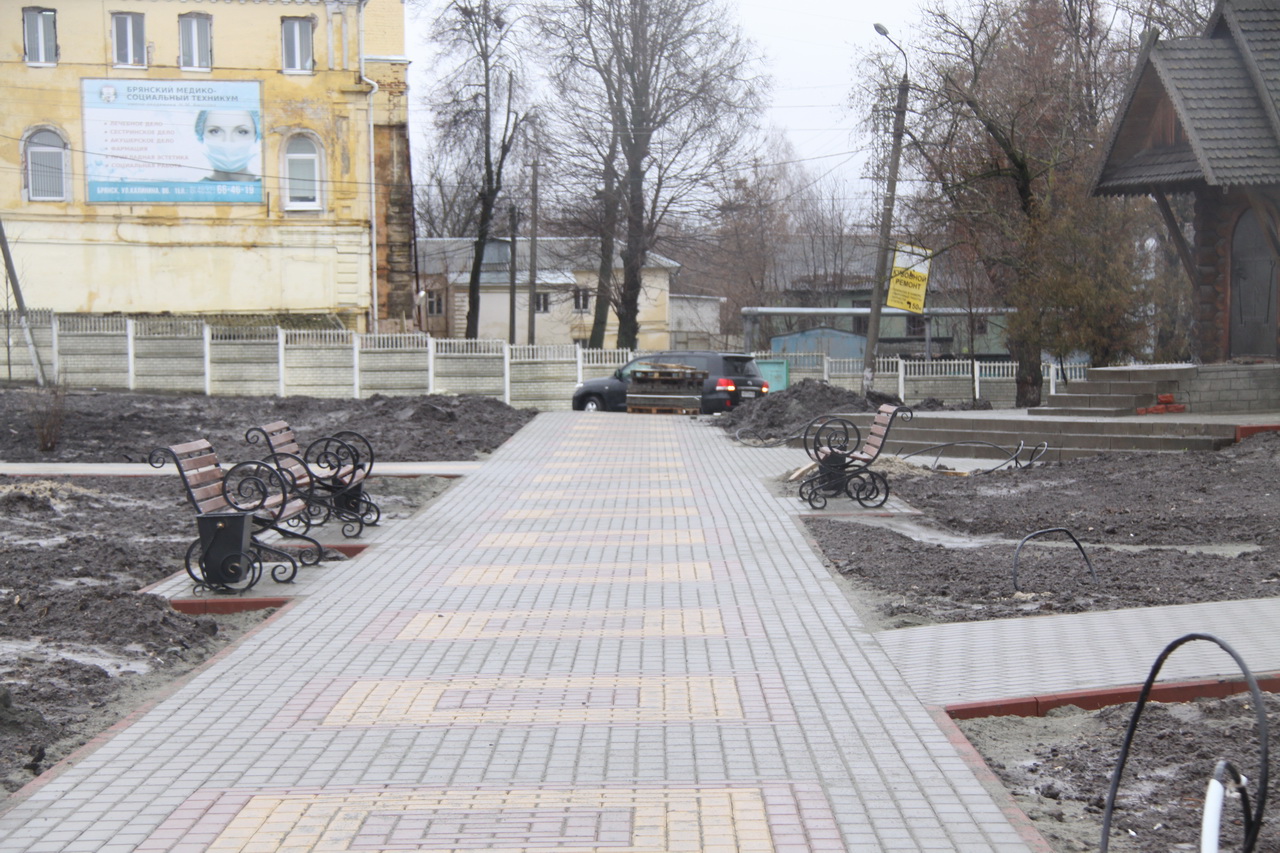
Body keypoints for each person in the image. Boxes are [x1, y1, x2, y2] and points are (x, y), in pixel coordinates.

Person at [194, 109, 261, 181]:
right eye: (215, 131)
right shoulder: (192, 190)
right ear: (202, 135)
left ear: (256, 135)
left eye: (242, 132)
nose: (228, 141)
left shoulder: (270, 186)